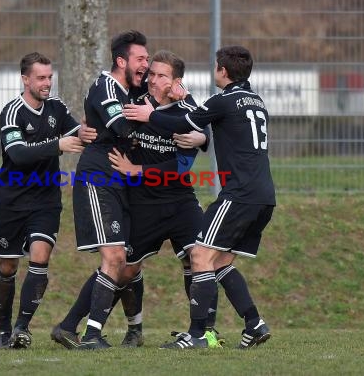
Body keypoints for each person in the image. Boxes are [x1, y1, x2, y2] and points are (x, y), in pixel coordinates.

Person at [123, 45, 275, 349]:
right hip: (265, 195)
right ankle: (254, 324)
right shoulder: (257, 102)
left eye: (216, 66)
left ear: (223, 71)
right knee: (220, 261)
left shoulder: (223, 100)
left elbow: (181, 123)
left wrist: (150, 114)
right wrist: (197, 123)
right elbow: (205, 125)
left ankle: (196, 335)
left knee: (199, 255)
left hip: (239, 194)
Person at [107, 50, 222, 349]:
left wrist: (203, 137)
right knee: (128, 270)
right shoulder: (133, 101)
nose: (153, 79)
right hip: (143, 201)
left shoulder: (188, 108)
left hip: (180, 199)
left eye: (161, 76)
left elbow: (188, 158)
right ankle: (135, 330)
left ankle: (205, 332)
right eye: (152, 73)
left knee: (198, 259)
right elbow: (107, 118)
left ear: (176, 83)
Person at [51, 30, 149, 350]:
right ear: (121, 61)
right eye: (140, 59)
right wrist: (153, 122)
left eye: (147, 59)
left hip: (125, 182)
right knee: (114, 256)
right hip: (99, 179)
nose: (146, 65)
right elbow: (121, 127)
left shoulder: (136, 89)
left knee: (126, 262)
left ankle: (68, 327)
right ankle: (92, 335)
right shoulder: (105, 86)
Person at [0, 52, 95, 350]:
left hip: (46, 198)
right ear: (25, 79)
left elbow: (76, 131)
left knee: (40, 257)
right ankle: (3, 331)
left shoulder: (56, 107)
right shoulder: (11, 112)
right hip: (12, 199)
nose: (47, 83)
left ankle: (21, 328)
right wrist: (57, 145)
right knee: (8, 266)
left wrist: (87, 130)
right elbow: (18, 154)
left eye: (49, 77)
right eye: (40, 78)